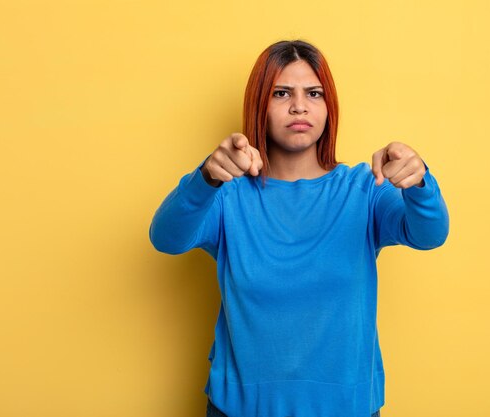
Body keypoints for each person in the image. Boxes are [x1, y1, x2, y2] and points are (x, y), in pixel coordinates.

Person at [149, 39, 449, 417]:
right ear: (260, 104)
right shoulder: (228, 195)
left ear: (329, 106)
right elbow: (166, 238)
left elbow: (430, 234)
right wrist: (206, 177)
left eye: (314, 93)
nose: (299, 106)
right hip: (239, 409)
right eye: (281, 93)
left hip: (347, 409)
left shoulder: (363, 189)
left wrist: (418, 182)